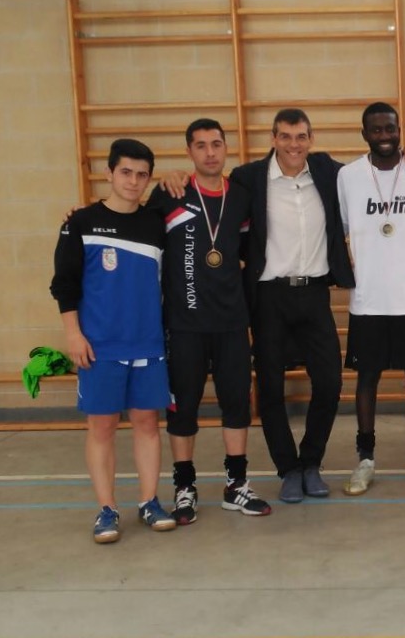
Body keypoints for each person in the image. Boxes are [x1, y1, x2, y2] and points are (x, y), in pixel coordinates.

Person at [51, 138, 175, 543]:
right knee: (102, 427)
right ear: (109, 173)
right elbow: (64, 284)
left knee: (147, 424)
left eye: (142, 175)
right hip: (99, 346)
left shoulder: (156, 224)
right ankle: (107, 510)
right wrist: (73, 334)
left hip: (148, 344)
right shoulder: (81, 222)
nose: (133, 181)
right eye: (126, 172)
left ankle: (149, 501)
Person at [146, 119, 270, 523]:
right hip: (183, 325)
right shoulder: (170, 194)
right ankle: (184, 488)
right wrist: (83, 214)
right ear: (189, 152)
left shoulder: (241, 197)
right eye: (201, 146)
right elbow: (133, 226)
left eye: (216, 144)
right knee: (183, 410)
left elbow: (248, 251)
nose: (210, 152)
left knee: (236, 404)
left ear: (226, 147)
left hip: (232, 322)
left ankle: (236, 486)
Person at [229, 108, 355, 503]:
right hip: (269, 296)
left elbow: (373, 173)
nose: (293, 144)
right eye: (285, 136)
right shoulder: (248, 178)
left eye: (301, 136)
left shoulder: (328, 172)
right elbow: (212, 202)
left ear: (311, 139)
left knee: (330, 382)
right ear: (273, 138)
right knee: (269, 387)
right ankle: (288, 469)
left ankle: (311, 462)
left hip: (315, 292)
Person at [337, 102, 405, 495]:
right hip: (368, 299)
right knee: (367, 378)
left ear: (400, 130)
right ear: (364, 134)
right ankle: (365, 459)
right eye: (377, 130)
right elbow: (342, 232)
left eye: (390, 129)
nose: (385, 136)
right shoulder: (348, 176)